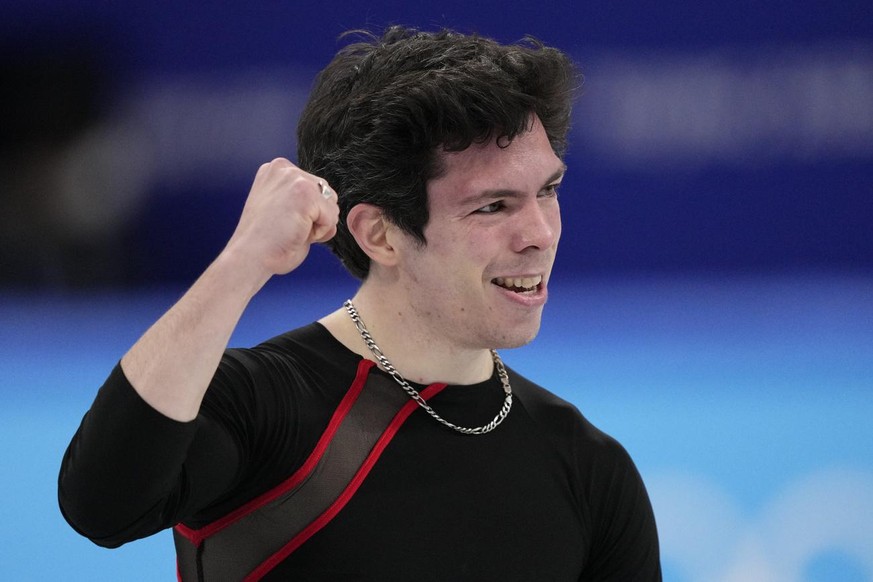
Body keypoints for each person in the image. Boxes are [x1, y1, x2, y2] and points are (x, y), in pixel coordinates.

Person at [58, 26, 661, 581]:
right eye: (493, 206)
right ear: (380, 233)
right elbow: (101, 504)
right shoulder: (262, 406)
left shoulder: (591, 470)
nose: (541, 233)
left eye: (548, 191)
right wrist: (243, 261)